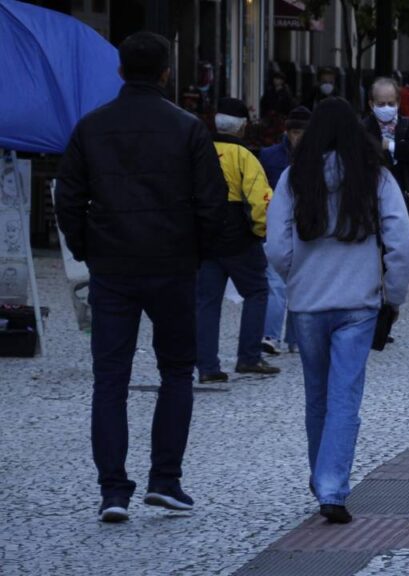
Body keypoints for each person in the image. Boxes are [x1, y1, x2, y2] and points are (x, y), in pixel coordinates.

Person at [55, 31, 227, 523]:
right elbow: (212, 202)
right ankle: (165, 480)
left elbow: (67, 198)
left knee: (110, 378)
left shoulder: (92, 128)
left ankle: (113, 489)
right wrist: (197, 252)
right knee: (177, 371)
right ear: (167, 72)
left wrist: (89, 247)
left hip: (113, 266)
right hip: (172, 265)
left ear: (119, 71)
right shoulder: (187, 127)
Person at [265, 98, 409, 524]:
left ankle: (322, 480)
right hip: (359, 302)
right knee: (345, 397)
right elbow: (402, 244)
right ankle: (332, 487)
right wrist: (393, 294)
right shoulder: (375, 178)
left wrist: (296, 274)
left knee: (318, 395)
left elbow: (276, 246)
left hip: (308, 303)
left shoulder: (294, 177)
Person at [196, 98, 280, 382]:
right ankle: (249, 357)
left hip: (205, 235)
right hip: (238, 235)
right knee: (257, 292)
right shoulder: (244, 156)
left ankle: (207, 365)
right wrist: (260, 231)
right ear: (243, 126)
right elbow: (260, 200)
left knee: (207, 301)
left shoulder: (199, 151)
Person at [258, 105, 311, 355]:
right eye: (295, 131)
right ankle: (271, 335)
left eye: (303, 132)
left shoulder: (317, 160)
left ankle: (295, 337)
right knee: (276, 283)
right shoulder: (269, 157)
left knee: (301, 283)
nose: (298, 137)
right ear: (287, 131)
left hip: (306, 227)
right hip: (276, 224)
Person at [362, 77, 409, 227]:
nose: (386, 107)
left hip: (403, 191)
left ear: (398, 103)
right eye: (381, 104)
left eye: (390, 103)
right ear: (371, 104)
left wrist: (393, 146)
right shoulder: (362, 128)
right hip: (371, 195)